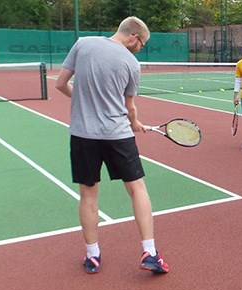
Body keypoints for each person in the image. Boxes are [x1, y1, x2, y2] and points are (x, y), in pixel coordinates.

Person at [55, 16, 169, 275]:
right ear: (133, 37)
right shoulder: (131, 63)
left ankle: (92, 256)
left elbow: (60, 84)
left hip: (83, 135)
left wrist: (82, 100)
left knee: (88, 194)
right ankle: (150, 252)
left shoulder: (83, 44)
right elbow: (129, 106)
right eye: (142, 43)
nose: (140, 49)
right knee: (137, 189)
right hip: (117, 134)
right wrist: (135, 121)